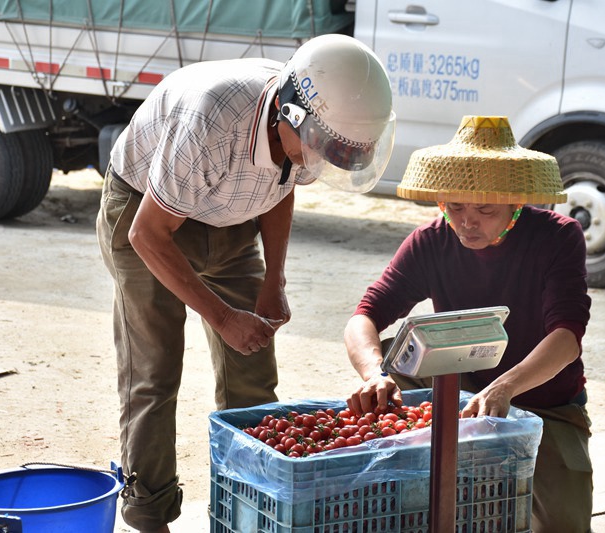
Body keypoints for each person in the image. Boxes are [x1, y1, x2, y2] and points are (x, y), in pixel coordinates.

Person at [96, 34, 394, 533]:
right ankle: (149, 515)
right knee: (154, 372)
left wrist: (273, 278)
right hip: (146, 215)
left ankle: (253, 504)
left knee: (252, 368)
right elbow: (148, 235)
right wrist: (222, 316)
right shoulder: (211, 122)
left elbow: (282, 185)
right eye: (325, 149)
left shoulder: (318, 126)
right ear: (287, 113)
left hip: (230, 216)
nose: (325, 161)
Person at [344, 116, 592, 533]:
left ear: (515, 201)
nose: (467, 222)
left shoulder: (558, 238)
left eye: (485, 209)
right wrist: (373, 374)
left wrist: (506, 387)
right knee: (392, 357)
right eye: (454, 207)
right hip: (456, 393)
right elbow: (364, 316)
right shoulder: (431, 241)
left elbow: (566, 338)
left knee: (563, 525)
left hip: (546, 403)